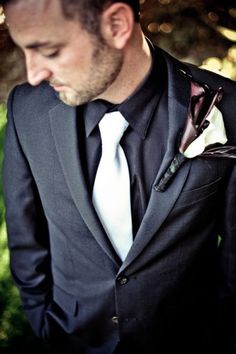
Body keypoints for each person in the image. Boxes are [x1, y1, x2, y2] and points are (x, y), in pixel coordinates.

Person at [1, 0, 236, 353]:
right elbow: (25, 234)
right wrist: (42, 319)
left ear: (116, 25)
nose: (33, 73)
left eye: (49, 50)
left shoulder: (227, 109)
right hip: (70, 339)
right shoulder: (27, 109)